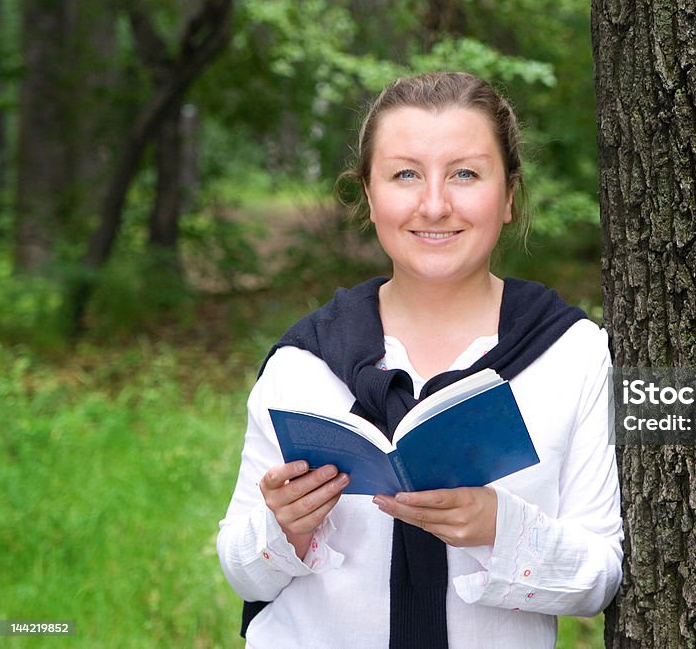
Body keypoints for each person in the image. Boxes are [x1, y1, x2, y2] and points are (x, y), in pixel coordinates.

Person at [217, 71, 622, 649]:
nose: (434, 204)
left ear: (508, 195)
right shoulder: (302, 364)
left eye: (465, 174)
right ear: (369, 195)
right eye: (405, 174)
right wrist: (282, 529)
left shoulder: (573, 354)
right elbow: (242, 569)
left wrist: (500, 531)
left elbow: (601, 578)